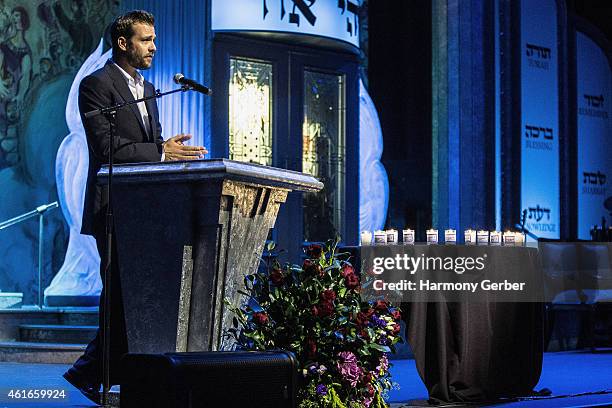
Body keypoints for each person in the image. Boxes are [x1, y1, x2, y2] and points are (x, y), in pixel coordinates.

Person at [62, 10, 207, 404]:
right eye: (147, 40)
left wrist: (168, 155)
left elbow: (151, 150)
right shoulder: (97, 85)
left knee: (137, 300)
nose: (154, 47)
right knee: (120, 298)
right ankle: (91, 372)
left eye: (155, 40)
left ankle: (109, 376)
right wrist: (161, 151)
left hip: (146, 212)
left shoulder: (150, 89)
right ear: (123, 43)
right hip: (112, 209)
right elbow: (107, 149)